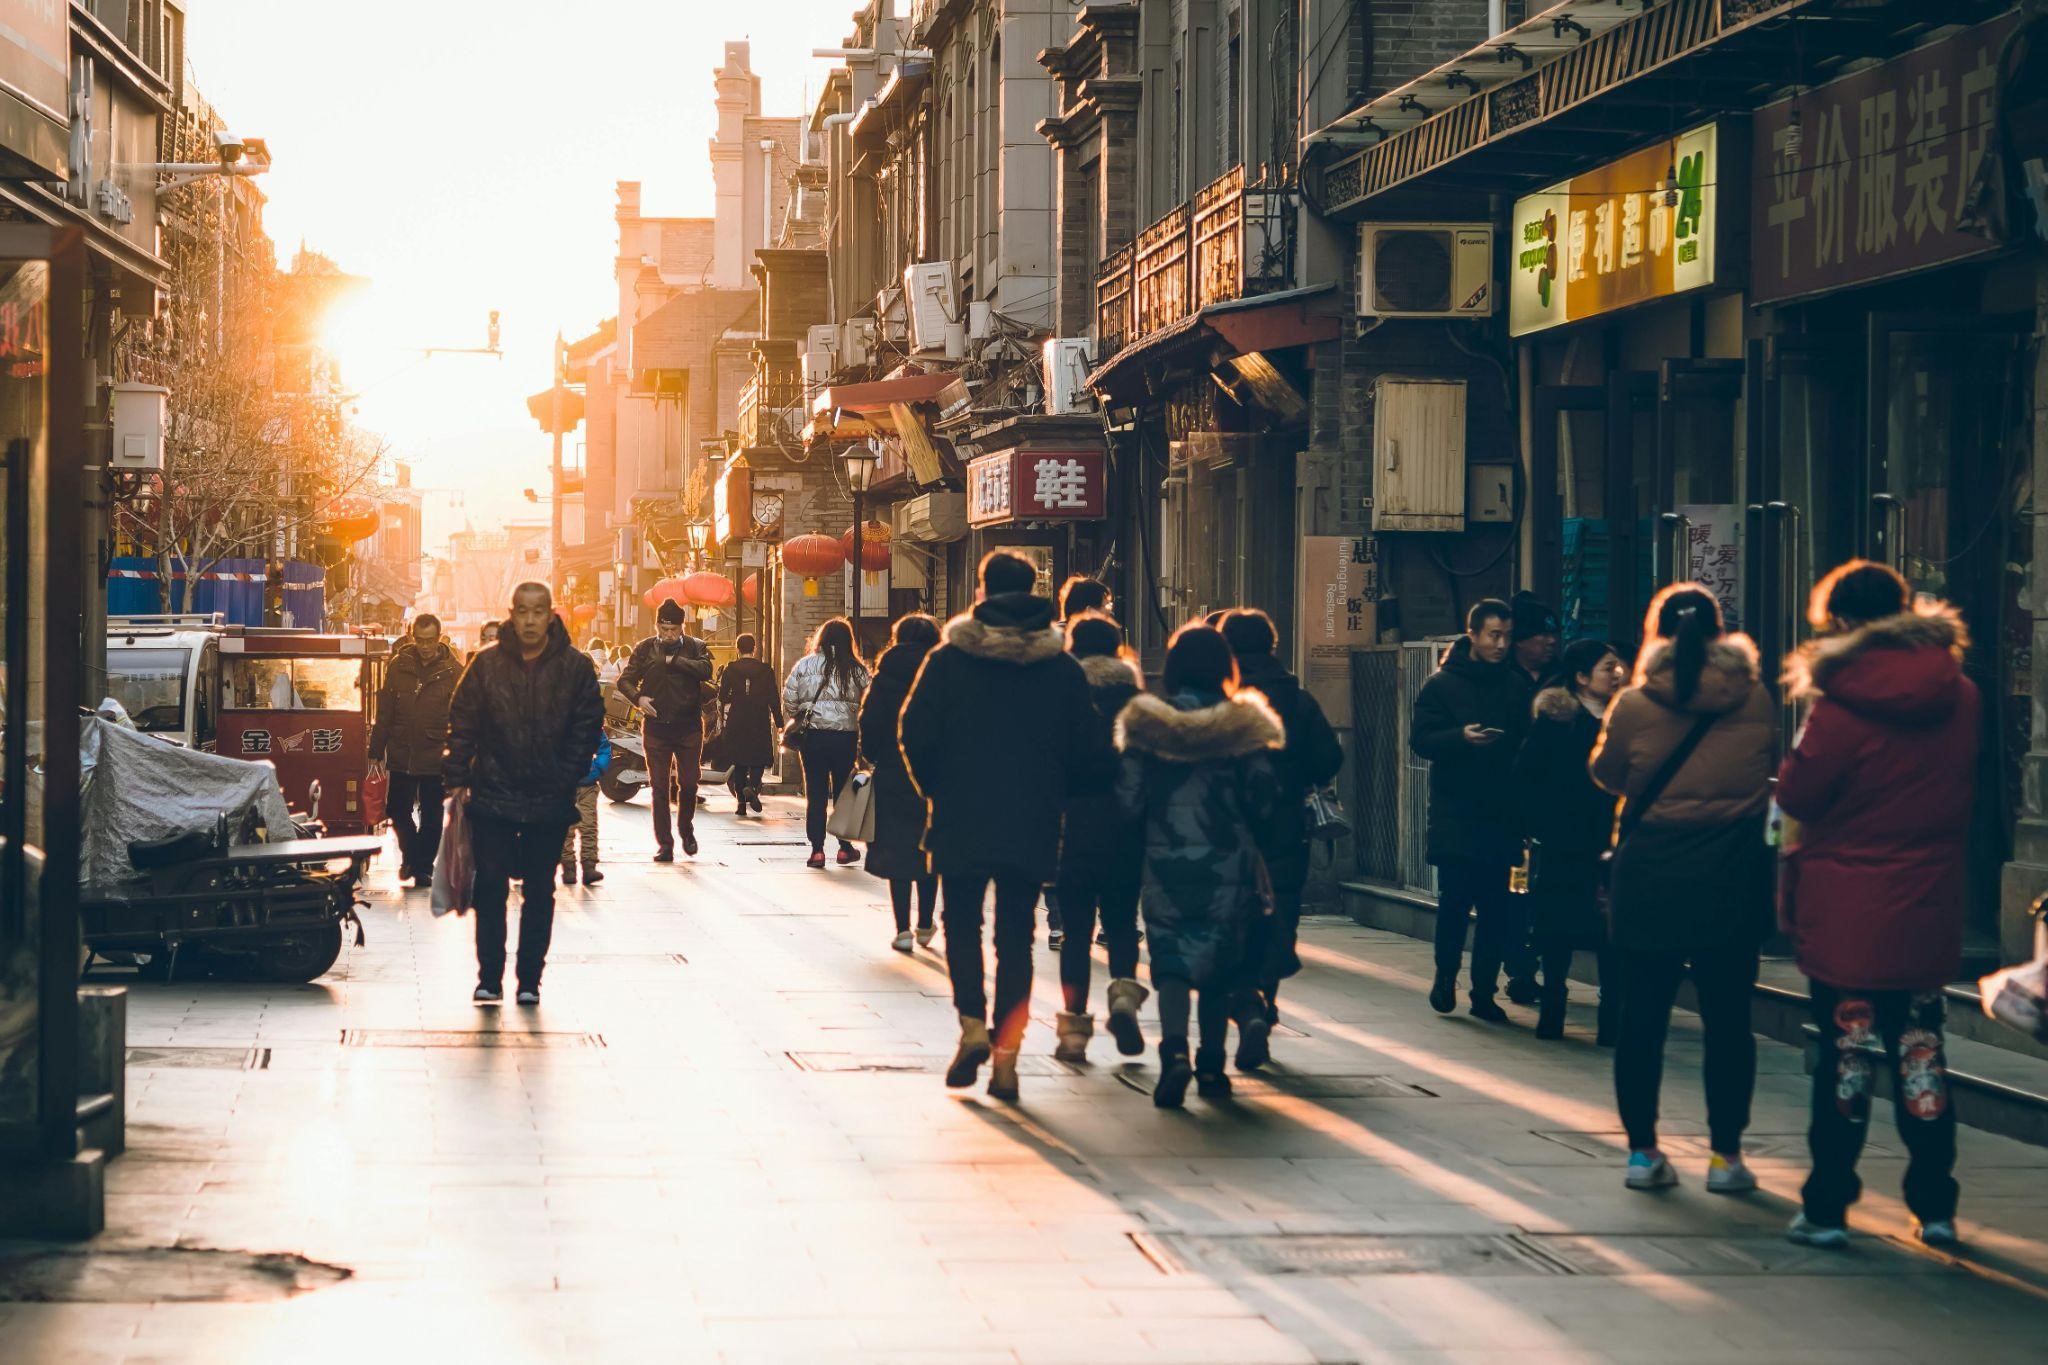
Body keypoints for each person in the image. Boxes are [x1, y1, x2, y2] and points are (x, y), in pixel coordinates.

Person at [1777, 561, 1977, 1250]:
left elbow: (1799, 798)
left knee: (1848, 1059)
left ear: (1838, 623)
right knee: (1923, 1056)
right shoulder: (1964, 695)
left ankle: (1829, 1207)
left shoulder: (1838, 705)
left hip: (1849, 914)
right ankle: (1938, 1206)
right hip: (1927, 905)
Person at [901, 551, 1110, 1100]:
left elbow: (914, 732)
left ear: (982, 590)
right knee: (1017, 934)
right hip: (1034, 817)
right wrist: (1059, 796)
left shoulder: (950, 659)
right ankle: (1007, 1057)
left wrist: (938, 790)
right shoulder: (1060, 667)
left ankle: (972, 1024)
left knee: (962, 923)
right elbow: (1089, 749)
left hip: (961, 812)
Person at [1591, 583, 1774, 1194]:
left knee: (1642, 1017)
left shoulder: (1636, 704)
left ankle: (1643, 1153)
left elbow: (1607, 773)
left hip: (1652, 875)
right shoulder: (1754, 698)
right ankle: (1726, 1157)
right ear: (1720, 631)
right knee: (1728, 1020)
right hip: (1731, 873)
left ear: (1657, 634)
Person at [1116, 623, 1284, 1108]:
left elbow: (1128, 800)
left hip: (1165, 861)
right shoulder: (1244, 727)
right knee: (1217, 962)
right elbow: (1264, 798)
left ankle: (1173, 1056)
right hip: (1227, 863)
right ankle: (1212, 1065)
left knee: (1170, 960)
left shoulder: (1148, 727)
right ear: (1223, 667)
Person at [442, 582, 603, 1007]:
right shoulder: (485, 665)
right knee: (490, 886)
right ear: (511, 614)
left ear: (551, 615)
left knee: (539, 889)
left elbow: (587, 725)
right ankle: (489, 977)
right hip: (492, 795)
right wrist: (458, 776)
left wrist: (567, 773)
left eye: (538, 612)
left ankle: (529, 978)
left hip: (549, 797)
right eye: (522, 612)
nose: (530, 620)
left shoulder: (574, 668)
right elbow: (462, 724)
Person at [1218, 609, 1343, 1059]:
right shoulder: (1297, 699)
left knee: (1229, 916)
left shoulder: (1219, 698)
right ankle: (1263, 1000)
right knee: (1277, 914)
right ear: (1272, 645)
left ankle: (1243, 999)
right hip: (1283, 828)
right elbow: (1328, 758)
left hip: (1226, 831)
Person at [1410, 599, 1527, 1021]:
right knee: (1455, 901)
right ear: (1473, 634)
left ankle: (1484, 993)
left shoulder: (1515, 686)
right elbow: (1421, 739)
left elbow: (1527, 743)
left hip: (1501, 812)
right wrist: (1460, 736)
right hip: (1455, 811)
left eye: (1507, 636)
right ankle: (1445, 977)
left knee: (1497, 908)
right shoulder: (1441, 684)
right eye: (1493, 635)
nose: (1501, 644)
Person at [1510, 637, 1625, 1043]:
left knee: (1613, 930)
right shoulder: (1558, 719)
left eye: (1618, 667)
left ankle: (1611, 1015)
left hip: (1614, 839)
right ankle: (1553, 1003)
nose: (1616, 674)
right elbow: (1527, 774)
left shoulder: (1625, 719)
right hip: (1565, 839)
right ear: (1580, 677)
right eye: (1607, 667)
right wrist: (1543, 822)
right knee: (1558, 926)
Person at [1053, 612, 1147, 1062]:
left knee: (1075, 931)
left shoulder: (1063, 695)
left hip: (1072, 826)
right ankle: (1124, 997)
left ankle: (1073, 1028)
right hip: (1125, 826)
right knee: (1123, 923)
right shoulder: (1135, 699)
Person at [859, 613, 941, 952]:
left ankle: (903, 929)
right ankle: (925, 923)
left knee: (896, 846)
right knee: (929, 846)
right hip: (937, 771)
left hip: (894, 769)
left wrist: (876, 757)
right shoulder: (943, 671)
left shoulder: (885, 673)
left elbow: (870, 722)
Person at [1043, 574, 1116, 952]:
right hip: (1090, 760)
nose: (1109, 609)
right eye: (1105, 603)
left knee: (1059, 844)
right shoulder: (1101, 642)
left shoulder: (1049, 640)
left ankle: (1064, 923)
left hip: (1058, 762)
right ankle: (1084, 922)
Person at [617, 599, 715, 860]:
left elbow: (706, 670)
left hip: (689, 727)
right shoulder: (645, 648)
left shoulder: (696, 647)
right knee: (659, 787)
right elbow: (624, 680)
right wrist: (638, 699)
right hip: (656, 728)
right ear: (657, 626)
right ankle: (665, 844)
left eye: (673, 630)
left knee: (690, 783)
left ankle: (686, 829)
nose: (668, 635)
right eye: (664, 629)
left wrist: (674, 661)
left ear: (682, 628)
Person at [368, 613, 460, 889]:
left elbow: (462, 715)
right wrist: (377, 748)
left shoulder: (453, 670)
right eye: (420, 640)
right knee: (396, 809)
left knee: (432, 815)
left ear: (439, 637)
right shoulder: (399, 665)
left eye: (430, 640)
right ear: (412, 637)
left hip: (436, 752)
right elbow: (385, 709)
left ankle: (422, 867)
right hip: (402, 749)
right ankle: (411, 856)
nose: (425, 646)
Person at [781, 618, 868, 867]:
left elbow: (789, 699)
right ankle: (844, 848)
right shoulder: (856, 668)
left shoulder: (804, 665)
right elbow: (869, 699)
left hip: (813, 738)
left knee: (815, 792)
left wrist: (803, 712)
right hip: (845, 737)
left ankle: (817, 851)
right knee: (843, 793)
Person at [717, 633, 781, 815]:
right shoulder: (766, 670)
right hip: (759, 719)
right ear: (754, 648)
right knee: (758, 759)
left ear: (738, 649)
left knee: (739, 762)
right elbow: (773, 699)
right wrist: (779, 722)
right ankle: (752, 788)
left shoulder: (730, 670)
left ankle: (740, 805)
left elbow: (722, 697)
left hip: (737, 719)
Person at [561, 726, 611, 887]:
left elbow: (604, 748)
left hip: (587, 784)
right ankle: (568, 866)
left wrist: (597, 769)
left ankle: (589, 866)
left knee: (589, 824)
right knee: (565, 827)